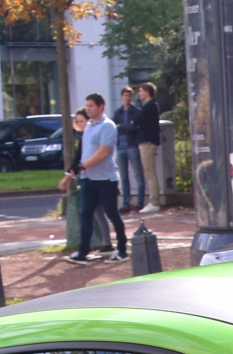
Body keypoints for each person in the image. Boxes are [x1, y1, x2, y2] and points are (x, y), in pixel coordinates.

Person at [70, 92, 125, 262]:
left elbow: (103, 153)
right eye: (87, 106)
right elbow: (84, 152)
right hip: (88, 179)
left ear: (101, 106)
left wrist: (82, 166)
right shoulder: (89, 126)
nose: (88, 109)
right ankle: (83, 252)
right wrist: (76, 167)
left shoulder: (107, 126)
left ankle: (122, 250)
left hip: (105, 179)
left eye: (91, 106)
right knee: (86, 214)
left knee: (112, 214)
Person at [133, 82, 165, 210]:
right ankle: (154, 201)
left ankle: (154, 202)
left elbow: (138, 121)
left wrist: (135, 122)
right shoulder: (151, 106)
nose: (139, 93)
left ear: (147, 92)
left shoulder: (149, 106)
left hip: (147, 142)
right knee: (150, 172)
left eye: (141, 91)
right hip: (147, 141)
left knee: (150, 172)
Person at [115, 87, 146, 213]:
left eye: (129, 96)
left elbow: (135, 127)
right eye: (125, 95)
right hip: (120, 147)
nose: (127, 98)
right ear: (121, 97)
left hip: (132, 145)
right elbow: (114, 127)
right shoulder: (118, 112)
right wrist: (126, 127)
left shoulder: (136, 111)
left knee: (138, 175)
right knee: (123, 177)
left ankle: (139, 203)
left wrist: (122, 126)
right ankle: (126, 204)